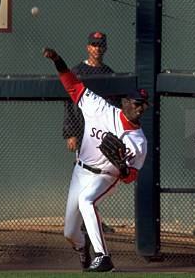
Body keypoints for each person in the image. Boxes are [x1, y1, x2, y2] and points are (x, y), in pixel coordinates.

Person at [43, 47, 148, 272]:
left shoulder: (139, 142)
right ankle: (83, 248)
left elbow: (131, 177)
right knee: (70, 232)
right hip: (81, 171)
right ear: (125, 103)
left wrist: (123, 168)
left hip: (107, 176)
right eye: (136, 103)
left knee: (87, 200)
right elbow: (73, 85)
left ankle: (104, 257)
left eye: (143, 105)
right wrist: (58, 60)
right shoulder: (99, 108)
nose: (139, 108)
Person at [63, 32, 118, 237]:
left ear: (105, 48)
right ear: (88, 47)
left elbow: (114, 105)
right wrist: (70, 133)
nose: (97, 48)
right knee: (85, 178)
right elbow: (69, 105)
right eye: (93, 45)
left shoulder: (108, 72)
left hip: (102, 134)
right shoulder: (78, 71)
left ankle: (92, 218)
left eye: (100, 45)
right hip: (82, 131)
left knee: (98, 178)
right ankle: (84, 221)